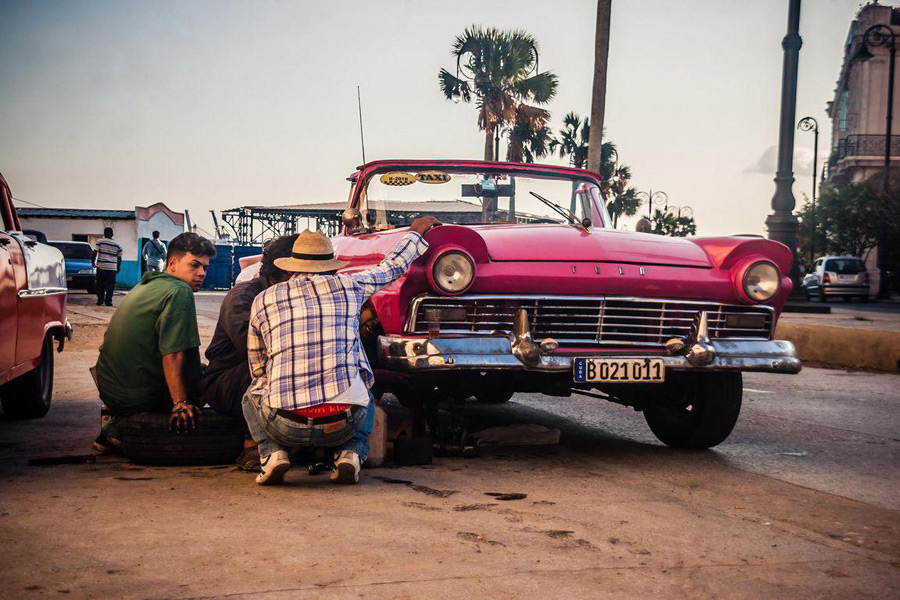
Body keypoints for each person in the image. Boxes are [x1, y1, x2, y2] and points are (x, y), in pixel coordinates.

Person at [243, 215, 441, 486]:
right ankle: (351, 454)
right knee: (366, 391)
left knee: (250, 394)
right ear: (332, 268)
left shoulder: (264, 299)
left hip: (285, 425)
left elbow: (257, 366)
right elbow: (392, 267)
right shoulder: (350, 286)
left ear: (290, 269)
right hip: (344, 421)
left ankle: (273, 454)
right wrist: (415, 232)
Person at [93, 232, 217, 452]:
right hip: (136, 396)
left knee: (197, 368)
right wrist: (180, 403)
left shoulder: (146, 285)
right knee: (212, 379)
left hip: (108, 389)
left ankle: (118, 427)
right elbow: (174, 354)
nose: (201, 273)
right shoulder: (179, 292)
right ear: (172, 263)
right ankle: (126, 428)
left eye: (205, 268)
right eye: (194, 265)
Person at [199, 234, 297, 470]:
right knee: (265, 367)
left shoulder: (293, 295)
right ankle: (252, 446)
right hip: (226, 382)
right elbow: (252, 347)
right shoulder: (243, 297)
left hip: (267, 376)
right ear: (285, 270)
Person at [93, 227, 123, 306]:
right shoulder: (118, 245)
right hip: (112, 268)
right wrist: (118, 267)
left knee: (100, 284)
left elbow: (95, 252)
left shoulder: (100, 242)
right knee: (110, 285)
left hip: (101, 267)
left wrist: (93, 262)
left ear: (104, 234)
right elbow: (119, 257)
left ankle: (100, 300)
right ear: (112, 234)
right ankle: (108, 301)